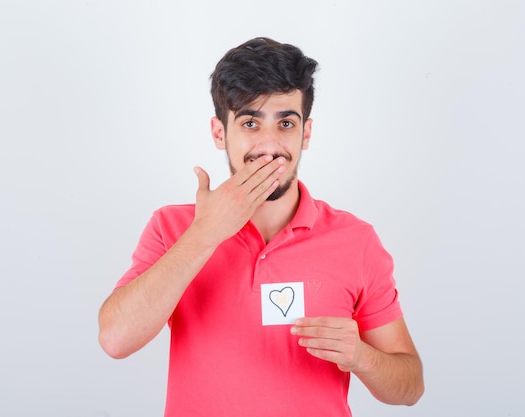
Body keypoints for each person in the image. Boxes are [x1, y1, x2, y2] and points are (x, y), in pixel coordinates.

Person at [98, 37, 424, 416]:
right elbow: (115, 339)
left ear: (307, 133)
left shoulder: (356, 240)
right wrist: (205, 233)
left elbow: (410, 387)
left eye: (286, 123)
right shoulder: (172, 227)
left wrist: (361, 356)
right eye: (250, 122)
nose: (270, 145)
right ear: (220, 133)